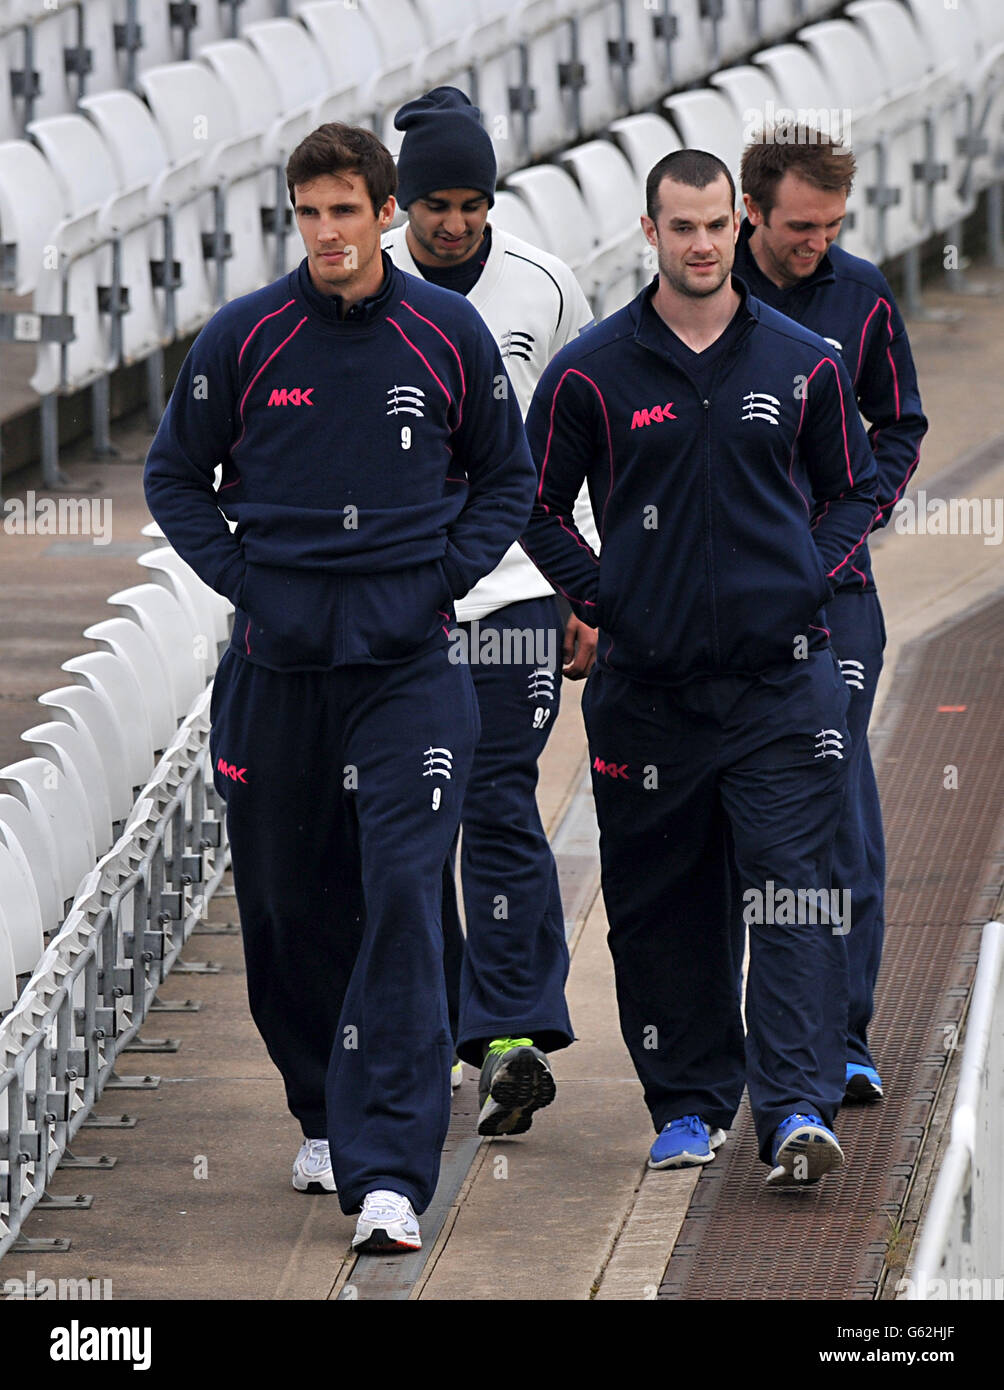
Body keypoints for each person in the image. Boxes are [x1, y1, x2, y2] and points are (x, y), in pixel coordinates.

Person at [143, 123, 536, 1252]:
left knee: (406, 903)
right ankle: (319, 1104)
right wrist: (247, 583)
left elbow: (506, 474)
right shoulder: (245, 336)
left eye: (345, 211)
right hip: (276, 675)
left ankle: (388, 1172)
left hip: (409, 672)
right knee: (283, 905)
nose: (327, 232)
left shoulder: (445, 331)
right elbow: (174, 474)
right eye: (309, 213)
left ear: (385, 214)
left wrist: (444, 580)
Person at [520, 149, 878, 1187]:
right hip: (649, 696)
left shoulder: (800, 358)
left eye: (717, 225)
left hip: (779, 687)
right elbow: (531, 503)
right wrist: (600, 597)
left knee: (794, 896)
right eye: (681, 227)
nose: (702, 243)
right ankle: (686, 1103)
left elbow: (851, 488)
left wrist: (803, 576)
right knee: (659, 903)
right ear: (649, 232)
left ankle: (798, 1107)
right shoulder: (592, 369)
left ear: (737, 224)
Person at [381, 86, 597, 1136]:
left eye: (471, 203)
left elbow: (586, 430)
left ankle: (509, 1029)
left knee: (499, 801)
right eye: (436, 205)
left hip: (515, 588)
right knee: (415, 821)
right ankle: (436, 1029)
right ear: (403, 203)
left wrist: (587, 581)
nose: (455, 223)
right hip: (398, 601)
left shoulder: (545, 284)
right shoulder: (360, 282)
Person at [735, 128, 928, 1102]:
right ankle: (741, 1045)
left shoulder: (860, 296)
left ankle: (841, 1037)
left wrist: (848, 525)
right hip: (713, 602)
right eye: (798, 227)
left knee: (836, 808)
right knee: (725, 825)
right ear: (750, 212)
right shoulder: (700, 292)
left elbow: (898, 424)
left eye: (830, 227)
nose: (815, 242)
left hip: (833, 592)